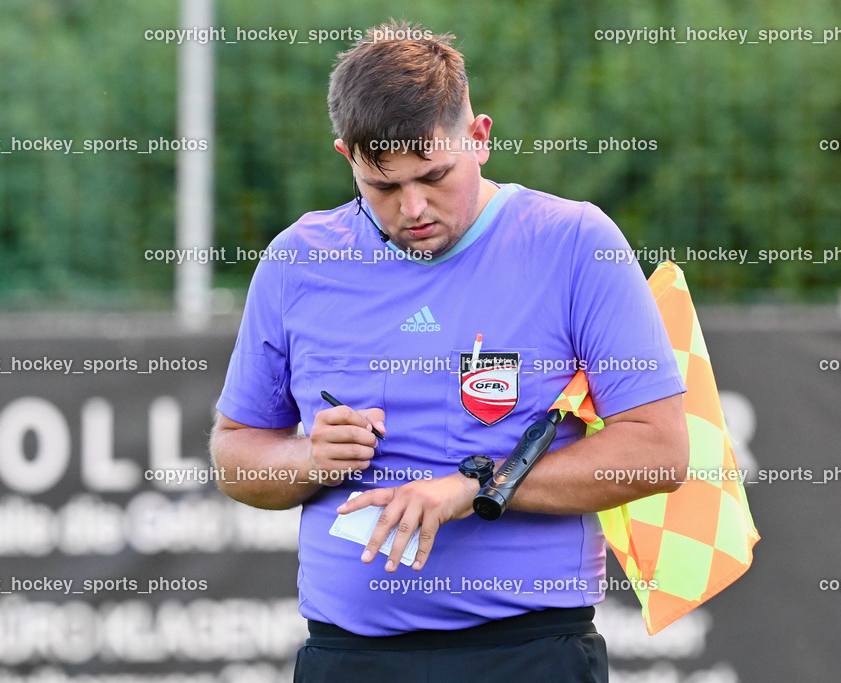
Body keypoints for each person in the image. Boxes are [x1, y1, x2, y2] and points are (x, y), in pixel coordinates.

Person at [211, 20, 689, 682]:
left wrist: (478, 485)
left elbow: (659, 450)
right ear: (346, 155)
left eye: (435, 175)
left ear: (481, 137)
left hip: (530, 651)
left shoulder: (575, 242)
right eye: (383, 186)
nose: (413, 207)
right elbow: (237, 456)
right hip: (349, 655)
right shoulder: (297, 260)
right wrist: (307, 457)